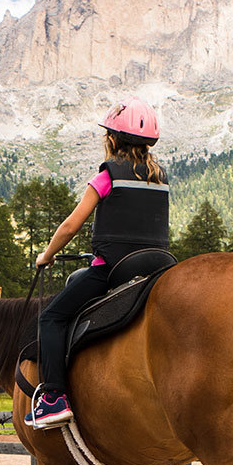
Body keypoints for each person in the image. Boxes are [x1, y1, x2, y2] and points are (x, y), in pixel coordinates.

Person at [28, 96, 169, 430]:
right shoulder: (160, 177)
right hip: (160, 266)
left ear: (112, 139)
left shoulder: (107, 175)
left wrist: (46, 255)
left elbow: (70, 226)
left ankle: (53, 398)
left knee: (51, 318)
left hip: (114, 269)